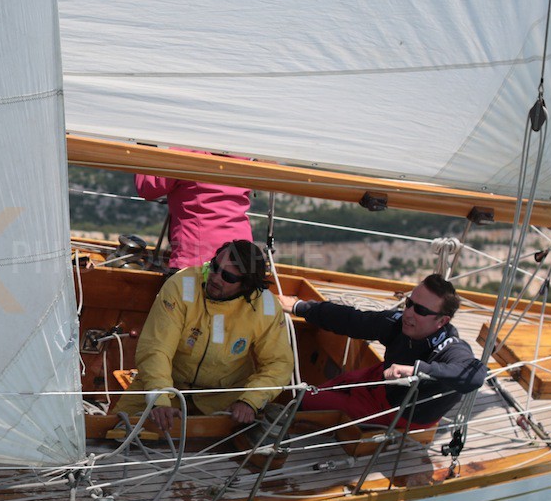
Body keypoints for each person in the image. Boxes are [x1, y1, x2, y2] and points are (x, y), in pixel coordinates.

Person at [120, 239, 293, 433]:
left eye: (228, 276)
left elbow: (278, 363)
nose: (216, 278)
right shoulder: (180, 285)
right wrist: (159, 398)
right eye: (215, 267)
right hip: (166, 385)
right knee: (114, 430)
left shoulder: (266, 308)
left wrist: (250, 401)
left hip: (227, 399)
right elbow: (156, 348)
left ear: (247, 285)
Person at [277, 274, 485, 430]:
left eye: (420, 310)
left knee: (307, 401)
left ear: (442, 321)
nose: (408, 313)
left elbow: (474, 375)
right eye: (409, 303)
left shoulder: (451, 347)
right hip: (384, 380)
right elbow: (354, 320)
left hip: (400, 412)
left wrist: (416, 370)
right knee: (322, 389)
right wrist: (301, 307)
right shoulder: (398, 323)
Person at [135, 172, 252, 271]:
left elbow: (147, 187)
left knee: (184, 290)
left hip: (194, 256)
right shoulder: (245, 158)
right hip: (242, 255)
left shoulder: (188, 156)